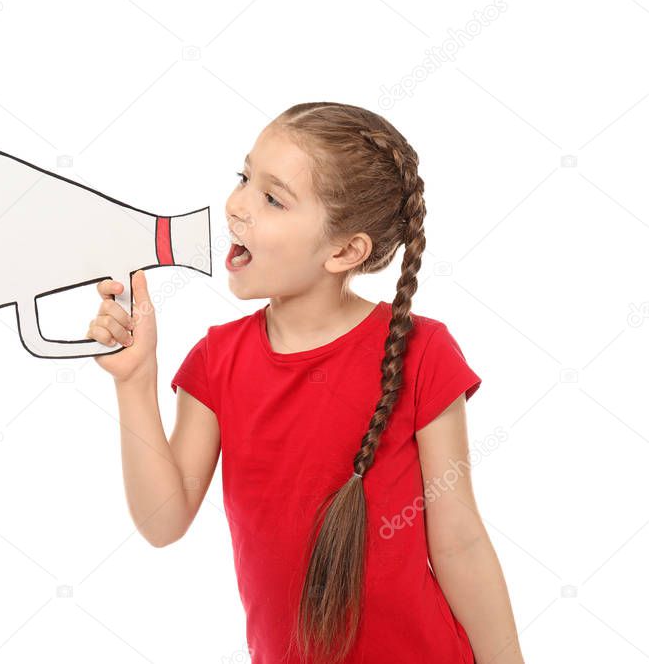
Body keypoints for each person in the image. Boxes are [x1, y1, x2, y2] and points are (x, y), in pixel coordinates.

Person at [86, 103, 524, 663]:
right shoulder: (217, 360)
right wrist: (135, 380)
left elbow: (460, 541)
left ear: (343, 251)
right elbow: (162, 521)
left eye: (272, 198)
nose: (236, 205)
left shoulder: (422, 352)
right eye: (244, 178)